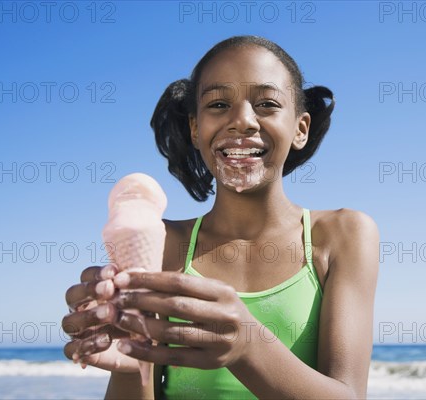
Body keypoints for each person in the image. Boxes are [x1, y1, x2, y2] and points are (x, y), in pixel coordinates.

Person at [62, 35, 380, 399]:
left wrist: (247, 345)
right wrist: (133, 366)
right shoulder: (166, 244)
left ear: (300, 129)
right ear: (196, 129)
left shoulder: (343, 235)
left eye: (266, 103)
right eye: (217, 104)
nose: (242, 120)